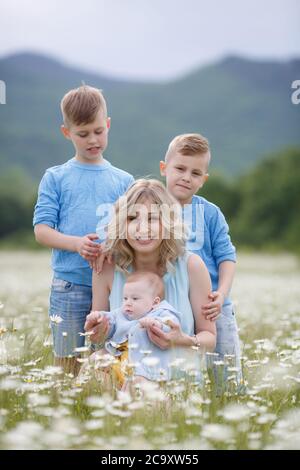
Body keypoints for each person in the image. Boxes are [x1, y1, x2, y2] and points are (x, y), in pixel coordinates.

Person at [33, 85, 134, 374]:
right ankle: (64, 408)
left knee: (108, 361)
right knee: (68, 361)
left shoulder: (124, 180)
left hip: (114, 285)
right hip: (69, 284)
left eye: (99, 131)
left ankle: (101, 412)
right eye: (83, 133)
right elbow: (42, 230)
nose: (93, 139)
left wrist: (115, 247)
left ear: (108, 125)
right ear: (67, 132)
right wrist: (77, 243)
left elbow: (133, 230)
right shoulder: (55, 177)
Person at [84, 179, 216, 387]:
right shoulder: (107, 268)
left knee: (143, 389)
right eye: (132, 218)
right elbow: (98, 337)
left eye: (153, 218)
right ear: (121, 224)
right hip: (123, 368)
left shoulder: (192, 267)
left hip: (174, 372)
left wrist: (181, 339)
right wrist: (97, 330)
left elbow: (209, 337)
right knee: (93, 364)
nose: (142, 228)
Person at [159, 133, 242, 391]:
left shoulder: (210, 213)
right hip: (173, 307)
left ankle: (228, 403)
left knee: (226, 373)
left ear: (204, 180)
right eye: (180, 168)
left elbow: (227, 257)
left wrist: (221, 294)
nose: (186, 177)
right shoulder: (151, 210)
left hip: (211, 307)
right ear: (164, 168)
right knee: (175, 374)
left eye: (195, 173)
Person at [85, 271, 183, 388]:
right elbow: (111, 320)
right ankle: (83, 391)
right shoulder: (122, 313)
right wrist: (99, 317)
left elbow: (171, 325)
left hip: (144, 370)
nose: (128, 303)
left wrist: (158, 324)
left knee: (137, 384)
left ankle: (127, 400)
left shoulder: (162, 312)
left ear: (155, 302)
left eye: (135, 298)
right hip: (119, 361)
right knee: (93, 360)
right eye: (125, 298)